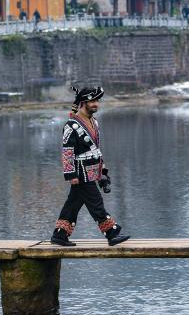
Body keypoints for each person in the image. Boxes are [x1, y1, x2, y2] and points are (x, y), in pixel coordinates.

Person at [50, 85, 130, 247]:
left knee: (73, 204)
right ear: (83, 103)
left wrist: (103, 172)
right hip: (80, 173)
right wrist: (70, 174)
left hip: (92, 170)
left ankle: (60, 234)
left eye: (97, 101)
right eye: (92, 101)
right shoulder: (71, 126)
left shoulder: (94, 122)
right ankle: (111, 233)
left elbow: (96, 150)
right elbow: (67, 152)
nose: (96, 104)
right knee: (96, 202)